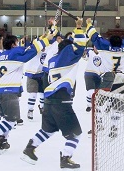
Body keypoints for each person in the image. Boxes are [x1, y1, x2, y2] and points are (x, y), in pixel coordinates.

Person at [21, 18, 87, 169]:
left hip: (49, 101)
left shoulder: (52, 59)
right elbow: (81, 45)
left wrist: (54, 27)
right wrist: (78, 27)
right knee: (75, 134)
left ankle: (29, 149)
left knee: (48, 130)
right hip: (61, 101)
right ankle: (65, 158)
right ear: (69, 49)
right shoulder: (69, 55)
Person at [0, 31, 53, 155]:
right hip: (8, 92)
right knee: (11, 120)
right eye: (17, 43)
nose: (19, 45)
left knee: (6, 118)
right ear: (14, 44)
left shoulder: (2, 55)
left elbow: (28, 48)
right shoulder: (14, 53)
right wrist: (47, 40)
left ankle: (3, 140)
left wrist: (43, 37)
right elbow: (31, 51)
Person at [87, 17, 124, 138]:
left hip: (108, 76)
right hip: (121, 78)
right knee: (117, 105)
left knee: (97, 102)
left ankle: (100, 123)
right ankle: (114, 126)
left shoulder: (104, 46)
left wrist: (88, 24)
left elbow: (94, 36)